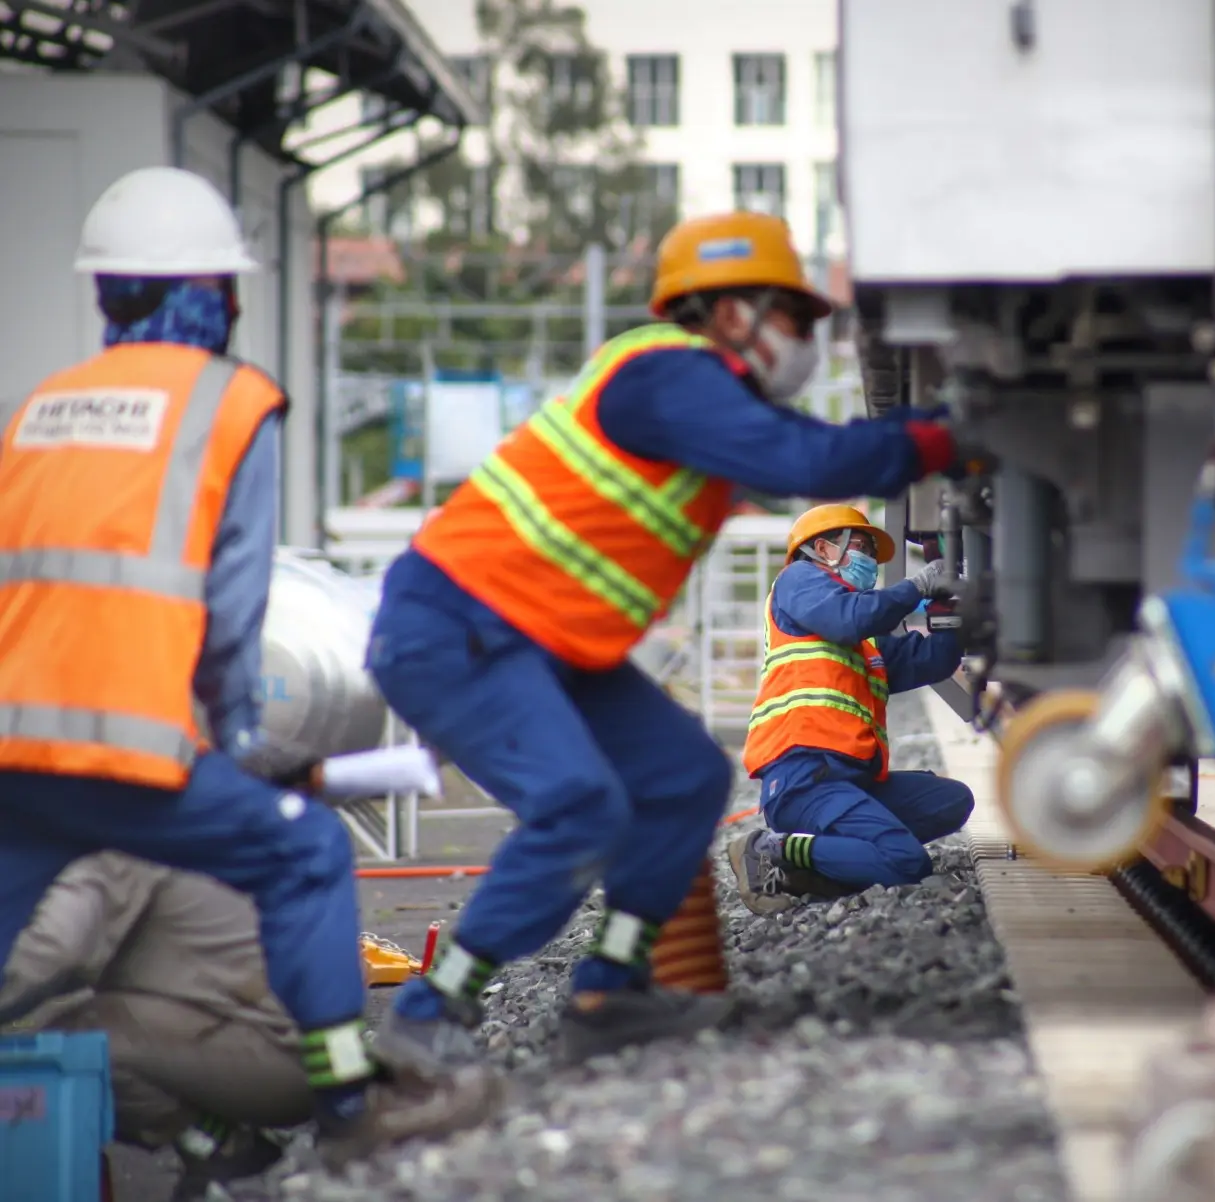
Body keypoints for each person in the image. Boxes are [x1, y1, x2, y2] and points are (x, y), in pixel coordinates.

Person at [363, 210, 968, 1074]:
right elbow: (809, 460)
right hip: (458, 624)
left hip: (540, 640)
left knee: (684, 777)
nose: (804, 343)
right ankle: (429, 1013)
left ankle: (611, 994)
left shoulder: (697, 408)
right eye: (794, 320)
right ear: (731, 314)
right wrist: (952, 434)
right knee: (580, 807)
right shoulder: (665, 375)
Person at [0, 166, 496, 1170]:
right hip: (136, 745)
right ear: (213, 292)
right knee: (305, 847)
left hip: (17, 743)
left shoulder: (39, 408)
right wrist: (232, 738)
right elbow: (232, 609)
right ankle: (351, 1099)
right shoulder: (229, 402)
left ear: (107, 291)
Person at [0, 854, 308, 1200]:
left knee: (76, 1044)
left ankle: (225, 1151)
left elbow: (50, 954)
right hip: (280, 1036)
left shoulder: (108, 842)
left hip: (277, 1053)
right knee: (78, 1025)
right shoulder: (145, 822)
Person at [726, 505, 975, 915]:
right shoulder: (798, 581)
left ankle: (825, 863)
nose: (868, 561)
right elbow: (849, 617)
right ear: (822, 548)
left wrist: (948, 604)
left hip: (850, 780)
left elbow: (934, 660)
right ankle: (773, 849)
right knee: (906, 861)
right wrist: (916, 586)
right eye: (859, 546)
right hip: (804, 778)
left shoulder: (865, 644)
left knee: (951, 801)